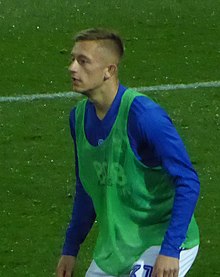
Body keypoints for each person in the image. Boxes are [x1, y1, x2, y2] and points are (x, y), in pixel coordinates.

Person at [56, 28, 200, 277]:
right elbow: (87, 189)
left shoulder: (144, 116)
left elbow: (188, 180)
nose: (72, 68)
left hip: (161, 239)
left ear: (109, 70)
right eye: (72, 59)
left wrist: (170, 250)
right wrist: (70, 249)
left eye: (83, 61)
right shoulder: (78, 119)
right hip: (116, 249)